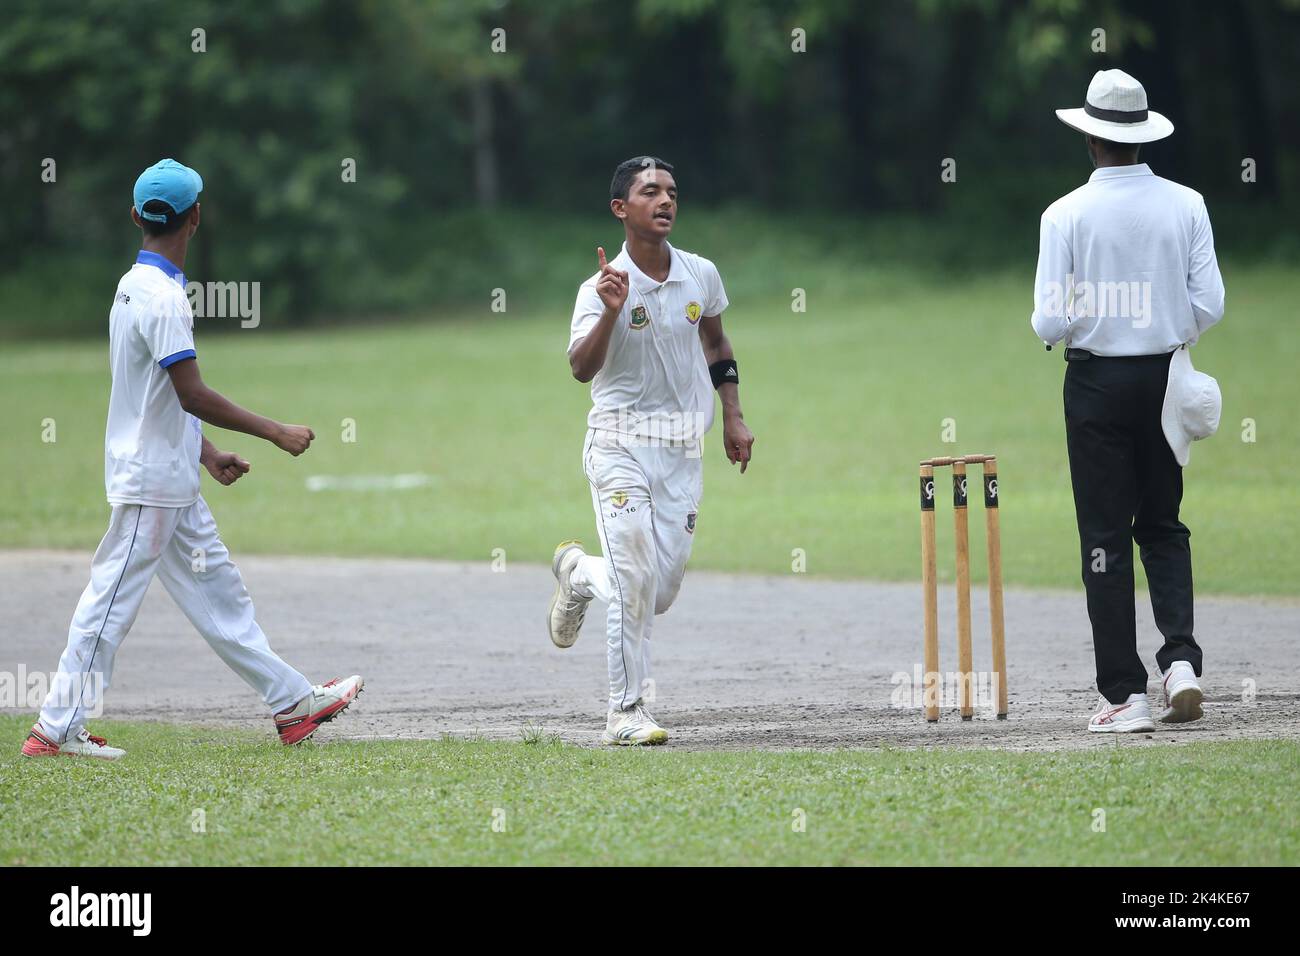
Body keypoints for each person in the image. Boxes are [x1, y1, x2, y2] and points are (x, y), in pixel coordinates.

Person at [21, 159, 362, 760]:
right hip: (151, 484)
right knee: (109, 603)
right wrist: (273, 430)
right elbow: (191, 392)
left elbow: (155, 396)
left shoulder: (135, 285)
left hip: (172, 477)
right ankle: (56, 729)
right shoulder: (163, 298)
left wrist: (202, 451)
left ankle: (291, 703)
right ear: (196, 218)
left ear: (136, 217)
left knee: (220, 594)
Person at [1031, 71, 1225, 733]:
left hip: (1095, 385)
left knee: (1105, 540)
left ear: (1089, 137)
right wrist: (1165, 326)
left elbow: (1049, 325)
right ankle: (1181, 664)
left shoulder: (1064, 214)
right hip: (1165, 379)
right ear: (1141, 136)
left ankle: (1125, 695)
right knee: (1163, 524)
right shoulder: (1187, 203)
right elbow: (1211, 304)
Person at [547, 156, 755, 745]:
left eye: (671, 192)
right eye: (650, 192)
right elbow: (580, 369)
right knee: (635, 577)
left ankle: (579, 574)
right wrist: (611, 313)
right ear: (621, 209)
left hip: (681, 451)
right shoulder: (600, 287)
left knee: (655, 594)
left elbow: (716, 343)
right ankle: (625, 712)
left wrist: (733, 417)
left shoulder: (700, 274)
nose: (665, 201)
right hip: (618, 445)